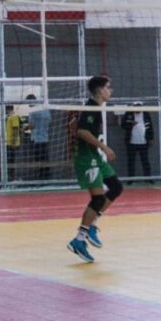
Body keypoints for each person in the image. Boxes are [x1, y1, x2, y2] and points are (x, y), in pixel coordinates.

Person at [66, 75, 126, 263]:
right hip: (87, 159)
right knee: (98, 199)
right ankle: (78, 240)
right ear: (99, 90)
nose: (111, 90)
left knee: (116, 187)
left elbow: (78, 127)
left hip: (95, 158)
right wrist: (104, 147)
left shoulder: (95, 107)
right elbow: (82, 131)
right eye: (108, 87)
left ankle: (91, 225)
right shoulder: (91, 107)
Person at [121, 101, 154, 179]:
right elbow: (123, 125)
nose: (137, 108)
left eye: (139, 106)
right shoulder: (129, 114)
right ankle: (131, 179)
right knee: (131, 161)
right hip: (131, 142)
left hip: (143, 142)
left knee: (145, 161)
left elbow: (150, 127)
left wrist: (151, 138)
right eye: (136, 106)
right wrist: (131, 123)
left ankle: (148, 178)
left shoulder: (146, 114)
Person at [26, 95, 51, 180]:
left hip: (37, 139)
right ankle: (47, 177)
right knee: (45, 158)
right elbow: (50, 120)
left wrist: (24, 128)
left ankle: (39, 178)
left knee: (38, 159)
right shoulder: (45, 109)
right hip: (45, 137)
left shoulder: (33, 110)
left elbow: (31, 125)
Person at [4, 105, 22, 182]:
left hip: (12, 144)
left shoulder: (14, 117)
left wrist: (14, 142)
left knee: (11, 162)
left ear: (9, 109)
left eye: (6, 109)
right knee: (9, 162)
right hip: (8, 143)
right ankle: (10, 179)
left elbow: (15, 129)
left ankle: (13, 179)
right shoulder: (8, 118)